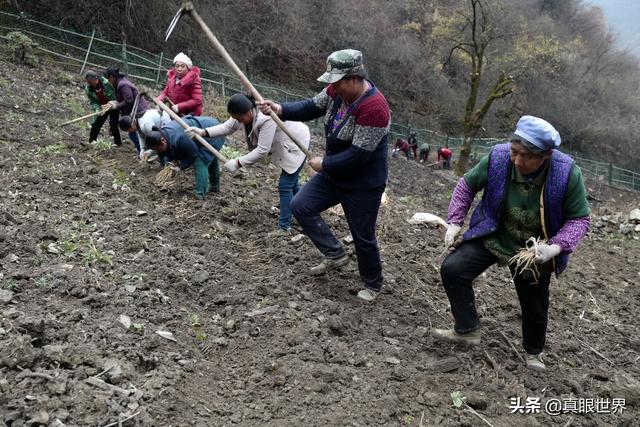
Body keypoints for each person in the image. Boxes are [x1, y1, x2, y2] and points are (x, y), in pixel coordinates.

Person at [432, 115, 590, 371]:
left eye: (525, 156)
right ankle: (467, 329)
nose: (516, 160)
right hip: (494, 233)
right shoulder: (498, 158)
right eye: (514, 152)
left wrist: (556, 247)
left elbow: (579, 219)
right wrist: (455, 222)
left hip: (532, 249)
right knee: (454, 269)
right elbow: (466, 185)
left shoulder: (566, 173)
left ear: (545, 156)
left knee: (534, 304)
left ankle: (533, 353)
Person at [257, 49, 391, 302]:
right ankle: (335, 253)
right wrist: (280, 108)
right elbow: (311, 106)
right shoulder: (335, 92)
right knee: (301, 205)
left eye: (337, 82)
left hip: (363, 182)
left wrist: (325, 164)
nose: (333, 87)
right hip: (335, 173)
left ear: (354, 78)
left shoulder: (375, 107)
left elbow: (359, 155)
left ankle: (373, 283)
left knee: (362, 236)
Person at [185, 93, 310, 233]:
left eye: (241, 118)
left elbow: (262, 149)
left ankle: (284, 226)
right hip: (282, 143)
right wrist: (203, 132)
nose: (240, 121)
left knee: (286, 184)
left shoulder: (266, 117)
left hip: (296, 142)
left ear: (249, 111)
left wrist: (238, 162)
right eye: (237, 119)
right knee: (291, 184)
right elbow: (227, 127)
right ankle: (306, 211)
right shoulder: (242, 114)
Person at [144, 116, 224, 198]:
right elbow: (168, 151)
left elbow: (193, 153)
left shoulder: (179, 138)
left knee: (200, 161)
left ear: (163, 140)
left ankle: (200, 194)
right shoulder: (163, 134)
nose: (159, 151)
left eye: (158, 148)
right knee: (210, 157)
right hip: (204, 130)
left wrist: (181, 166)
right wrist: (169, 162)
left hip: (213, 132)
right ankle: (215, 188)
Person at [103, 67, 146, 157]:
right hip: (134, 111)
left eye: (108, 79)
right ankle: (143, 152)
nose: (108, 81)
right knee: (137, 133)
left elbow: (129, 99)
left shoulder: (122, 85)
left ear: (111, 77)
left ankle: (143, 153)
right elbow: (124, 99)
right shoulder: (120, 82)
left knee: (134, 134)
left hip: (138, 111)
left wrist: (117, 106)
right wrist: (115, 102)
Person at [84, 70, 122, 146]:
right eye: (89, 83)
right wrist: (97, 109)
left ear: (96, 79)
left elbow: (116, 92)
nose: (90, 84)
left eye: (91, 82)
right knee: (96, 124)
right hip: (103, 107)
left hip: (113, 106)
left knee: (113, 125)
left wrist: (114, 103)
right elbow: (93, 102)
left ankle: (118, 143)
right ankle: (92, 141)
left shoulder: (107, 83)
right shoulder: (88, 89)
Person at [159, 52, 203, 116]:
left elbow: (197, 100)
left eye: (182, 66)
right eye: (177, 66)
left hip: (189, 115)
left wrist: (179, 107)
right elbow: (165, 93)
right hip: (174, 113)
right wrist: (159, 100)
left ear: (188, 68)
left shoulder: (194, 80)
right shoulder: (172, 79)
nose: (179, 69)